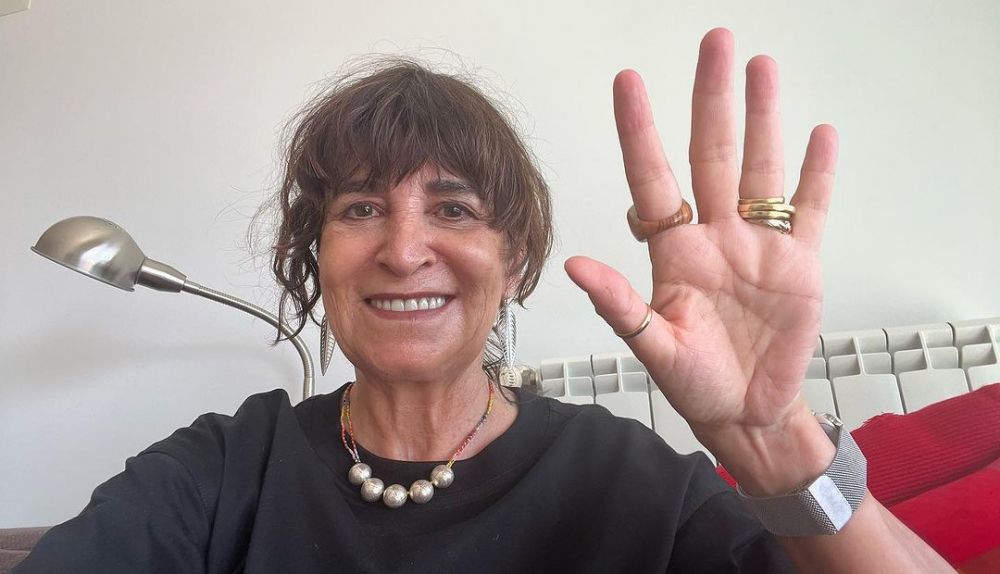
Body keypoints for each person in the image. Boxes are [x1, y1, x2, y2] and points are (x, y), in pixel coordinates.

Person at [13, 28, 952, 573]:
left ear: (517, 259)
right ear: (317, 254)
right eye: (360, 208)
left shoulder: (628, 480)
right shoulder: (222, 471)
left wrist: (777, 440)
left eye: (453, 208)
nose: (402, 249)